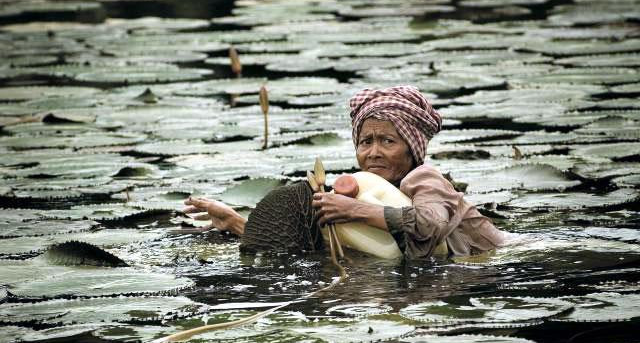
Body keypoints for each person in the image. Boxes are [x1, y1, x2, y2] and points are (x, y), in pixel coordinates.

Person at [184, 85, 505, 259]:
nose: (373, 151)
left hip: (495, 261)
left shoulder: (424, 178)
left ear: (413, 149)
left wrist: (353, 209)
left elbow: (429, 225)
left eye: (387, 141)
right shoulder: (366, 187)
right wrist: (238, 223)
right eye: (366, 141)